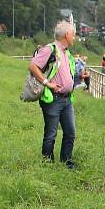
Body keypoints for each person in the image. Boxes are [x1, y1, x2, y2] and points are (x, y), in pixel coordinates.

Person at [28, 20, 78, 168]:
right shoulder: (50, 49)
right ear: (67, 35)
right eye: (73, 35)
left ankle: (66, 161)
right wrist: (46, 83)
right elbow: (33, 66)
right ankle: (47, 163)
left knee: (70, 132)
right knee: (51, 133)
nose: (74, 38)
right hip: (53, 99)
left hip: (67, 99)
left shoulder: (66, 52)